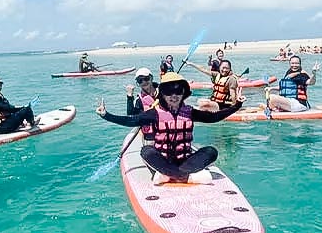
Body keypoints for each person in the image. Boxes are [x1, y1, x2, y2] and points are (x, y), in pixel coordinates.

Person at [96, 72, 244, 184]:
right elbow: (131, 120)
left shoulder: (189, 112)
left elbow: (214, 117)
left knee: (211, 151)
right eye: (168, 92)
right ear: (163, 95)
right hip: (163, 160)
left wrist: (237, 105)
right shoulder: (155, 113)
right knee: (146, 151)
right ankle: (187, 177)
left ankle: (170, 175)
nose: (174, 96)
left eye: (178, 91)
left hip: (185, 161)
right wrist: (106, 115)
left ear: (183, 94)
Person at [125, 67, 159, 141]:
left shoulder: (164, 93)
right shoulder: (139, 101)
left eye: (146, 78)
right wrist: (129, 97)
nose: (143, 82)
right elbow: (131, 117)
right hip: (151, 137)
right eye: (140, 80)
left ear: (151, 78)